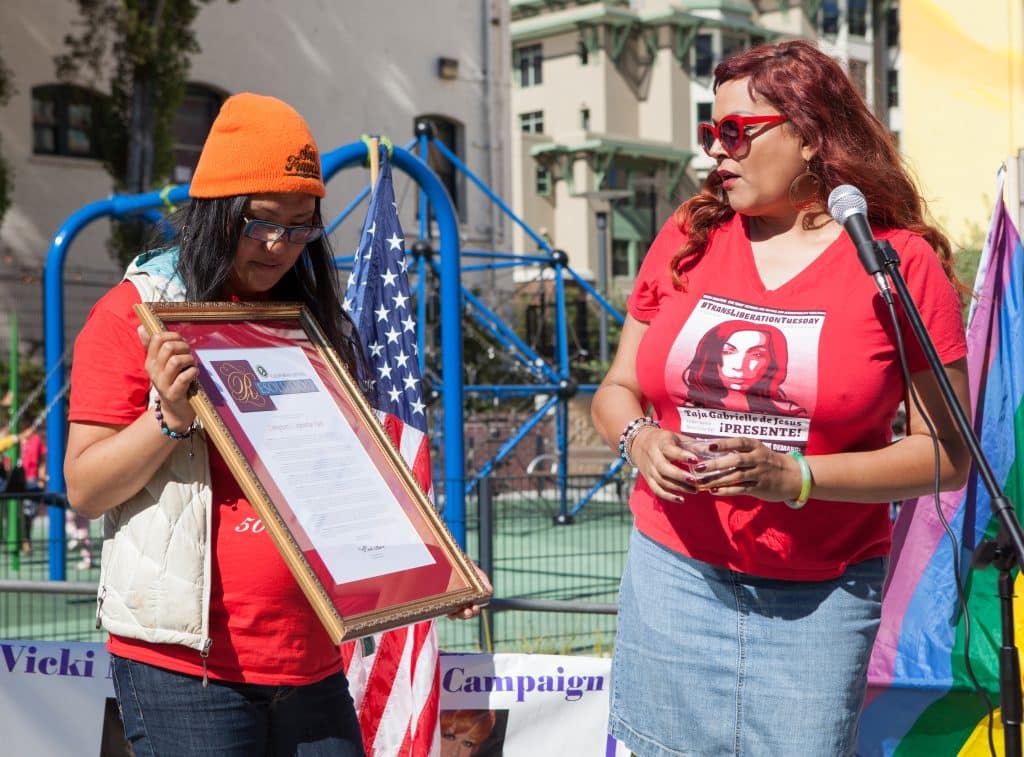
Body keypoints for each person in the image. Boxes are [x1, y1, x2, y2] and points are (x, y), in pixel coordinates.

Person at [64, 93, 486, 757]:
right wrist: (167, 419)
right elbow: (84, 487)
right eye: (259, 221)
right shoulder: (135, 314)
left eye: (299, 227)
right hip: (188, 670)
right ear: (216, 211)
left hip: (310, 660)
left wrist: (429, 571)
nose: (278, 244)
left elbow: (348, 480)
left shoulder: (306, 323)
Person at [591, 41, 971, 757]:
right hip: (673, 578)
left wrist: (796, 476)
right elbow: (616, 390)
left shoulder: (897, 261)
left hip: (820, 600)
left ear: (810, 135)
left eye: (738, 132)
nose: (718, 152)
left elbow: (947, 456)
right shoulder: (688, 236)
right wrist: (639, 439)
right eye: (712, 134)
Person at [682, 319, 805, 415]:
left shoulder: (792, 412)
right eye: (728, 352)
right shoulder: (688, 406)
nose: (739, 366)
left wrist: (786, 450)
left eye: (757, 355)